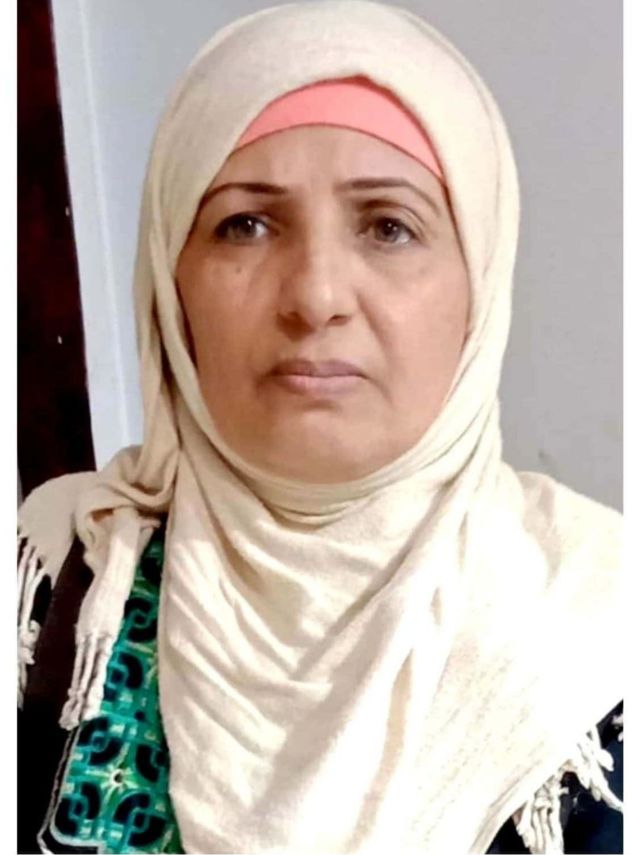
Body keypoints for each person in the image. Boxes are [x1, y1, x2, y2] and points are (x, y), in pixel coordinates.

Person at [17, 1, 623, 853]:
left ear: (479, 285)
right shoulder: (61, 586)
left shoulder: (603, 631)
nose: (316, 296)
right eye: (246, 225)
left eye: (389, 227)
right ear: (171, 281)